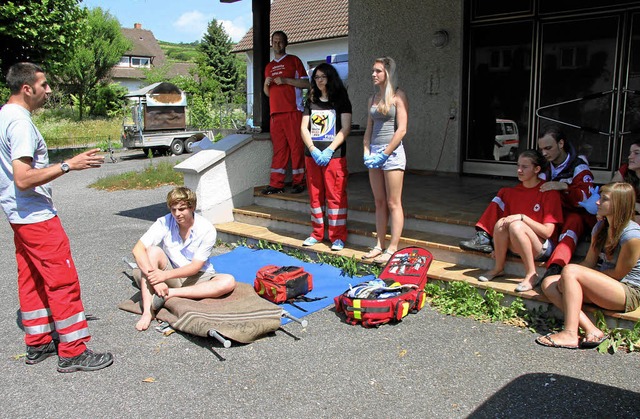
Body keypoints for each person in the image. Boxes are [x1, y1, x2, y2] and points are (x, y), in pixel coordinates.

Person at [0, 62, 113, 372]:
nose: (49, 90)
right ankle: (73, 351)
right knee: (62, 281)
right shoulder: (20, 123)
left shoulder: (4, 115)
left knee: (32, 278)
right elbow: (23, 178)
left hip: (19, 215)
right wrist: (68, 165)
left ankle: (37, 344)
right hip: (36, 216)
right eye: (44, 84)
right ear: (27, 89)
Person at [460, 127, 596, 282]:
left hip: (569, 212)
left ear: (561, 144)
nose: (544, 153)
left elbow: (587, 197)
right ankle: (484, 235)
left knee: (573, 222)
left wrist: (565, 187)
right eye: (541, 149)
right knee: (506, 194)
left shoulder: (578, 166)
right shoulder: (544, 164)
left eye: (548, 148)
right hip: (545, 212)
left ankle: (555, 266)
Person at [537, 182, 640, 349]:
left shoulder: (632, 236)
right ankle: (591, 329)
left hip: (627, 291)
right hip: (604, 285)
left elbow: (619, 273)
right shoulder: (600, 227)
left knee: (571, 271)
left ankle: (570, 333)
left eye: (604, 199)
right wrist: (568, 279)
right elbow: (588, 263)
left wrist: (575, 277)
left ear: (619, 204)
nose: (597, 202)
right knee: (549, 283)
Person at [132, 187, 236, 331]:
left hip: (197, 275)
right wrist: (156, 279)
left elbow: (195, 267)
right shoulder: (164, 222)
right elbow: (137, 249)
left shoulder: (206, 229)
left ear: (192, 207)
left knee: (228, 281)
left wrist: (163, 276)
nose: (177, 214)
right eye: (173, 209)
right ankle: (147, 312)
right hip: (172, 270)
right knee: (151, 252)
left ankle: (169, 294)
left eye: (181, 209)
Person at [474, 150, 564, 292]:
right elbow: (503, 229)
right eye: (518, 166)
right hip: (517, 242)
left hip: (542, 246)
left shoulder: (549, 192)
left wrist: (523, 218)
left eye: (525, 167)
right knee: (501, 223)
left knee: (517, 225)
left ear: (537, 169)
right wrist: (497, 246)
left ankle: (531, 274)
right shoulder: (513, 191)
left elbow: (548, 232)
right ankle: (498, 268)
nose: (519, 170)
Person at [361, 57, 409, 265]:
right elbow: (368, 129)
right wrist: (366, 151)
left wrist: (385, 153)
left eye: (378, 71)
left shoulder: (398, 96)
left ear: (387, 73)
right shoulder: (372, 98)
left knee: (393, 202)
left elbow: (402, 129)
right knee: (379, 202)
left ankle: (392, 247)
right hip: (375, 152)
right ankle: (379, 245)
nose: (373, 74)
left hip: (393, 153)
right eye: (373, 71)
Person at [300, 63, 352, 251]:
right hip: (312, 156)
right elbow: (303, 128)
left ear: (331, 77)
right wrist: (313, 149)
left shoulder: (341, 99)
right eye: (316, 77)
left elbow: (345, 128)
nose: (319, 80)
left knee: (335, 196)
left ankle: (337, 236)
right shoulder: (311, 99)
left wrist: (329, 149)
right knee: (315, 196)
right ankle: (317, 233)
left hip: (334, 156)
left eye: (323, 76)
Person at [262, 31, 310, 195]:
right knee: (279, 150)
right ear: (271, 43)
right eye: (275, 42)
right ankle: (276, 184)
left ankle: (299, 181)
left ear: (286, 43)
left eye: (280, 42)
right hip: (275, 114)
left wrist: (286, 80)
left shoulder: (294, 60)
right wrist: (266, 85)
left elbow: (306, 84)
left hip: (293, 111)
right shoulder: (269, 67)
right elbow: (268, 94)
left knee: (296, 147)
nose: (277, 45)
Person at [611, 140, 640, 223]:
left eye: (636, 153)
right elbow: (610, 193)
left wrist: (630, 204)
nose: (630, 157)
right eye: (630, 153)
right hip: (627, 218)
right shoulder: (625, 170)